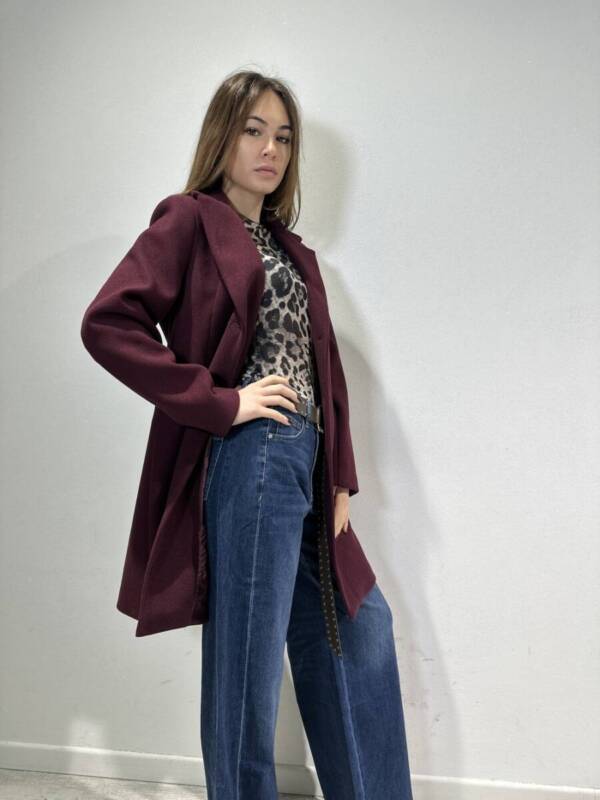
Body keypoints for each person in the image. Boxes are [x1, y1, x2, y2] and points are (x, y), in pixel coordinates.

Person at [81, 69, 413, 800]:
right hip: (253, 455)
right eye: (254, 130)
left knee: (360, 632)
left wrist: (341, 476)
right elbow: (107, 324)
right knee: (249, 663)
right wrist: (220, 402)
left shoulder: (292, 251)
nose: (270, 149)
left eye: (284, 138)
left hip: (309, 464)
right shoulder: (188, 221)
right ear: (222, 138)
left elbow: (325, 370)